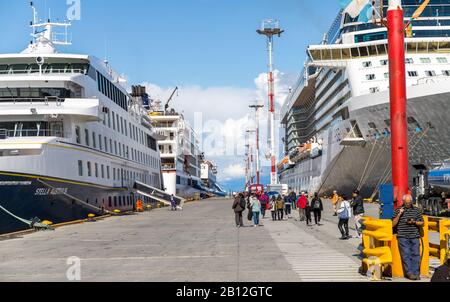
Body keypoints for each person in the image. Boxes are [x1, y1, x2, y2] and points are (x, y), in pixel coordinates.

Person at [392, 194, 424, 281]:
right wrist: (399, 215)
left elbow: (422, 223)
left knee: (416, 255)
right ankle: (409, 273)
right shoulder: (398, 210)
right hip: (402, 236)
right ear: (403, 202)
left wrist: (414, 222)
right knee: (406, 255)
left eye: (409, 203)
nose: (408, 204)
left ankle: (416, 273)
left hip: (414, 236)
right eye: (406, 203)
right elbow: (393, 224)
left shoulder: (416, 210)